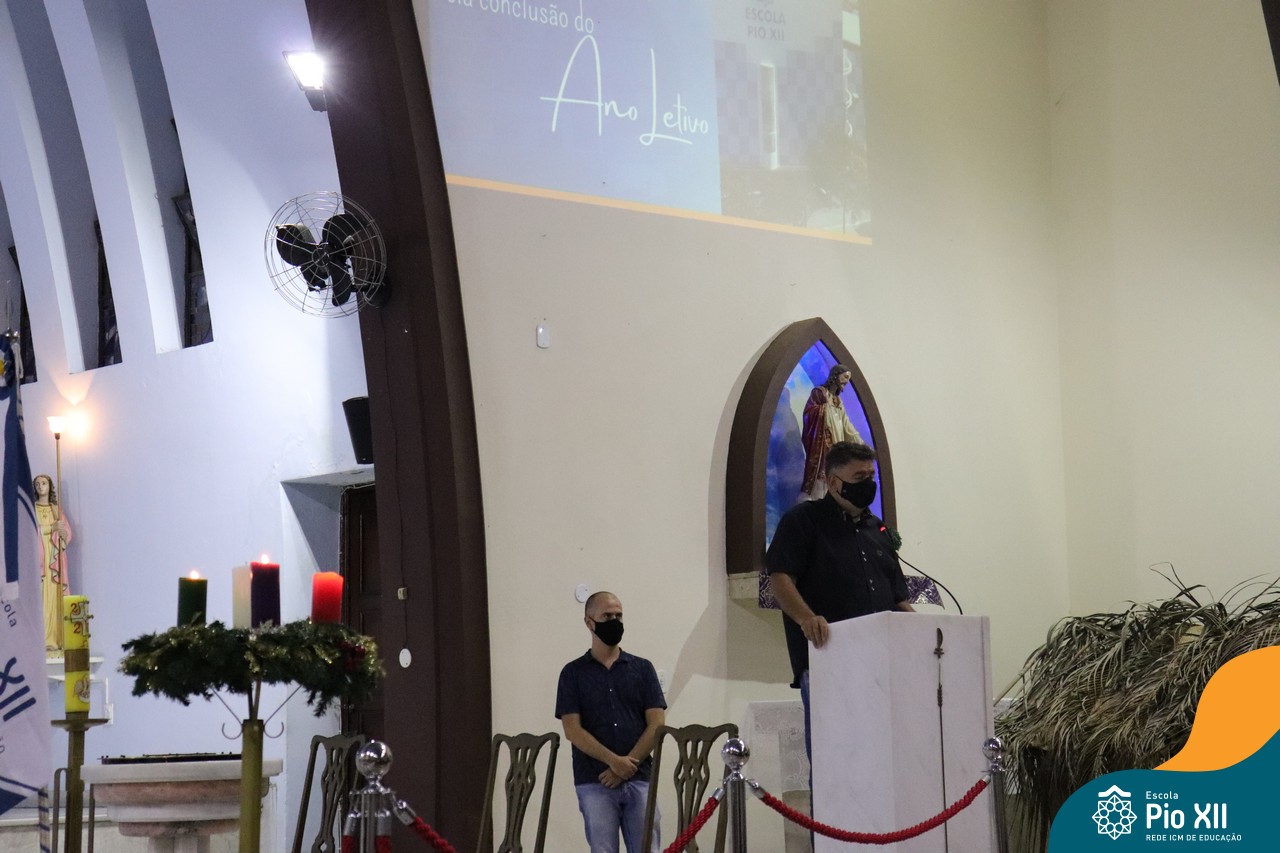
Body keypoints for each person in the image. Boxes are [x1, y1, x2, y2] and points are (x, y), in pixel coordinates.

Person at [766, 441, 913, 754]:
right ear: (834, 483)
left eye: (871, 476)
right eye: (859, 477)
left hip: (881, 663)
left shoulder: (878, 530)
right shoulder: (804, 520)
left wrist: (925, 633)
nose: (869, 484)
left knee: (881, 755)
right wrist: (807, 618)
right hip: (828, 659)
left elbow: (897, 597)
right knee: (833, 758)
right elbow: (780, 578)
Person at [556, 591, 666, 853]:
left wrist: (627, 765)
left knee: (647, 848)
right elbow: (572, 730)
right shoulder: (572, 673)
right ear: (589, 622)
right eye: (607, 616)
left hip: (640, 777)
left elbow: (657, 725)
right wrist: (614, 762)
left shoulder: (642, 669)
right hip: (595, 780)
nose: (614, 621)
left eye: (619, 615)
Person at [800, 364, 864, 499]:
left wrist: (859, 443)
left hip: (837, 445)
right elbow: (808, 414)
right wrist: (825, 409)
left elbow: (846, 424)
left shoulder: (838, 400)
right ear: (835, 376)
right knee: (822, 479)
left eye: (848, 379)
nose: (847, 381)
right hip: (822, 445)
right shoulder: (819, 393)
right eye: (845, 377)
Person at [33, 473, 72, 652]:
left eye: (44, 483)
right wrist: (51, 528)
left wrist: (63, 534)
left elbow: (67, 534)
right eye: (38, 484)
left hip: (55, 561)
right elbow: (30, 532)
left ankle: (56, 638)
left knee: (55, 598)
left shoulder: (56, 510)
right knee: (41, 599)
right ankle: (42, 639)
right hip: (40, 562)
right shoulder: (32, 509)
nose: (41, 486)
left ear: (50, 486)